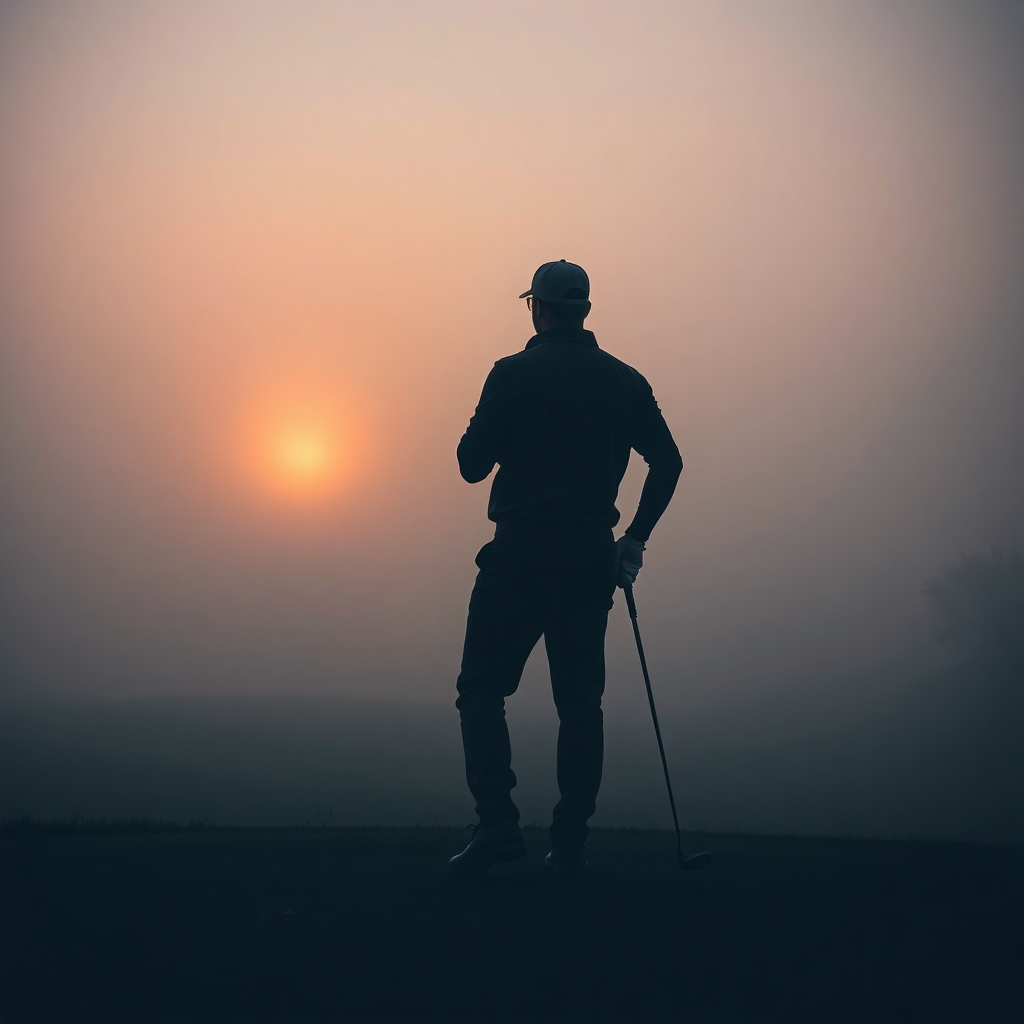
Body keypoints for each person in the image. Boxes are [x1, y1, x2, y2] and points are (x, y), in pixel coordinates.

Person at [448, 260, 683, 877]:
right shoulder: (625, 381)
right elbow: (668, 462)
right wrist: (634, 538)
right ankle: (570, 844)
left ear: (538, 307)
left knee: (481, 689)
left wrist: (510, 431)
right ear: (584, 309)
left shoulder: (512, 374)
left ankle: (496, 822)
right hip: (590, 556)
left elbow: (471, 464)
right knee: (580, 702)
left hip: (520, 553)